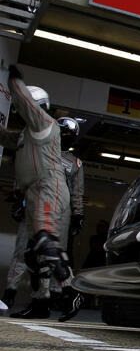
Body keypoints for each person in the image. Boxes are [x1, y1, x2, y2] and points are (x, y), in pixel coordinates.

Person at [0, 67, 72, 320]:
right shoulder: (25, 134)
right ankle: (40, 304)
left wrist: (14, 80)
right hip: (33, 192)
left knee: (45, 241)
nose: (20, 112)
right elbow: (7, 139)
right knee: (33, 254)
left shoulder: (44, 123)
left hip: (48, 187)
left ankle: (70, 292)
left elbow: (24, 102)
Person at [55, 116, 85, 322]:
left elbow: (77, 191)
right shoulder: (43, 154)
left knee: (55, 251)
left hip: (62, 210)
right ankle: (50, 296)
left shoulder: (75, 163)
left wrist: (78, 214)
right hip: (41, 204)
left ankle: (69, 292)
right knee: (33, 252)